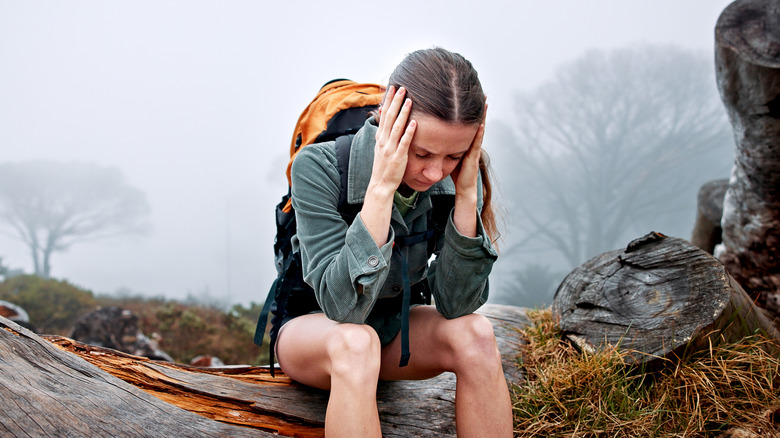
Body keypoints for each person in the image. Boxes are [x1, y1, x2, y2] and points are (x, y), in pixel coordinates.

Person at [275, 47, 513, 437]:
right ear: (389, 119)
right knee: (356, 343)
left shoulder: (458, 179)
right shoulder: (318, 167)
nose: (435, 172)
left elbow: (457, 305)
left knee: (477, 334)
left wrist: (467, 196)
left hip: (393, 330)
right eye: (421, 153)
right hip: (316, 333)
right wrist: (382, 188)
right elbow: (342, 308)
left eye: (453, 156)